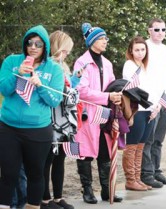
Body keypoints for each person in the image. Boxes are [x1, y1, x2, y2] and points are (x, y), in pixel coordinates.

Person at [0, 25, 65, 209]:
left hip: (38, 130)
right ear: (25, 44)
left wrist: (41, 85)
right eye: (30, 42)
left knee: (36, 174)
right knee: (8, 174)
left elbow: (54, 101)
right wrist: (17, 74)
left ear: (45, 46)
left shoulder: (54, 69)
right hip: (8, 128)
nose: (33, 46)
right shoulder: (11, 61)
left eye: (38, 43)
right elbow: (3, 89)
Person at [74, 22, 123, 204]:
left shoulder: (108, 63)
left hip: (104, 113)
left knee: (105, 151)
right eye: (102, 38)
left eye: (105, 38)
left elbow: (112, 85)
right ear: (92, 41)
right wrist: (107, 96)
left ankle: (106, 190)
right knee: (85, 152)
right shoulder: (82, 62)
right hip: (87, 114)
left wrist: (116, 96)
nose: (105, 41)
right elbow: (81, 90)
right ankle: (87, 190)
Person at [41, 30, 76, 209]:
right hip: (50, 118)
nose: (66, 54)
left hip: (64, 119)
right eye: (65, 51)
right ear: (57, 48)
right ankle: (45, 199)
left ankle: (58, 197)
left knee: (60, 159)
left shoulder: (64, 67)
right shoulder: (47, 66)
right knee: (47, 159)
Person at [142, 18, 166, 188]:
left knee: (159, 139)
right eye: (156, 30)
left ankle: (156, 170)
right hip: (151, 100)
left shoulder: (165, 49)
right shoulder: (144, 47)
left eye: (163, 29)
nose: (160, 33)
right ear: (149, 30)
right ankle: (146, 173)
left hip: (165, 99)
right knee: (148, 138)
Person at [122, 36, 157, 191]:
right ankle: (130, 179)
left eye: (143, 49)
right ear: (131, 50)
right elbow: (131, 91)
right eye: (137, 50)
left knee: (141, 146)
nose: (140, 52)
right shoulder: (129, 65)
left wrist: (155, 107)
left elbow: (152, 88)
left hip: (149, 110)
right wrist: (129, 114)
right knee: (132, 145)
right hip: (137, 110)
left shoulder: (145, 66)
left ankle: (137, 178)